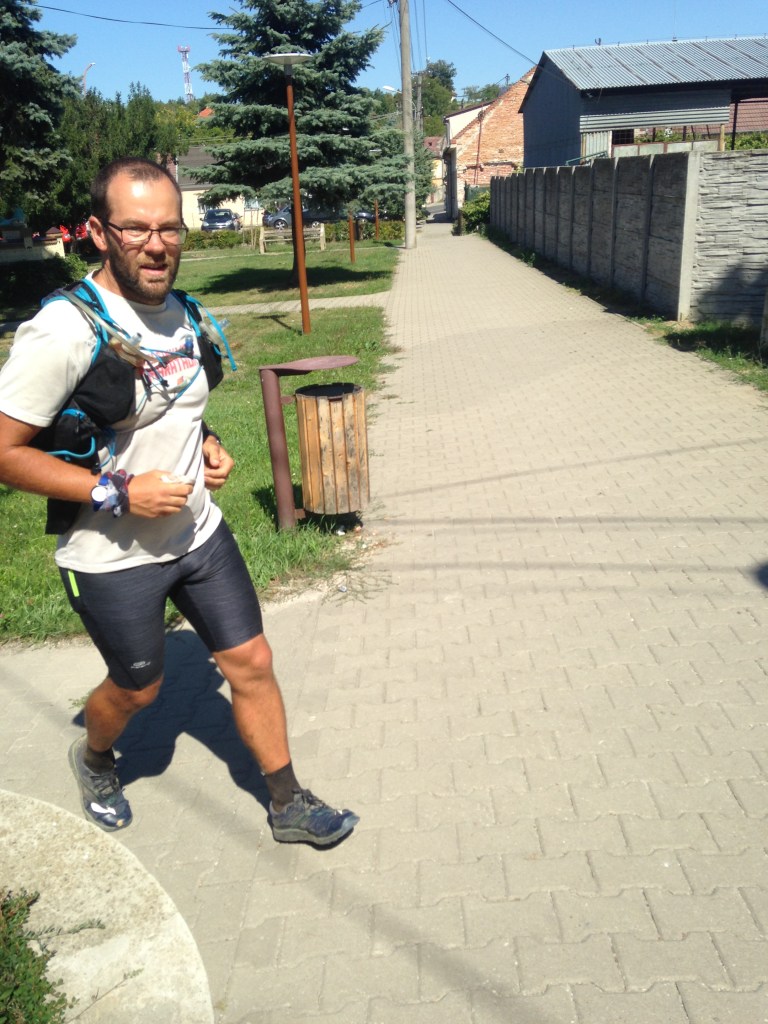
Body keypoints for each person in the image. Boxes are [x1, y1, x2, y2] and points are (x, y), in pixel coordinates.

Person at [0, 157, 359, 847]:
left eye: (169, 228)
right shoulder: (65, 329)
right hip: (111, 558)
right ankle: (95, 758)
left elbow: (173, 405)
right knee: (139, 690)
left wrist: (209, 439)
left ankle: (288, 804)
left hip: (198, 537)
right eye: (136, 229)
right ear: (98, 233)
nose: (157, 245)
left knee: (252, 662)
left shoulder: (182, 313)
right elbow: (6, 451)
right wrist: (116, 490)